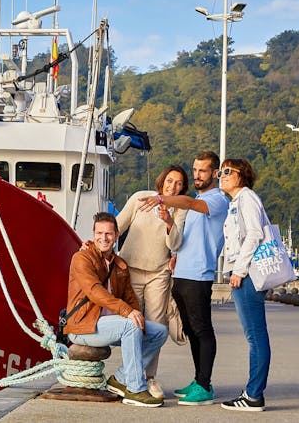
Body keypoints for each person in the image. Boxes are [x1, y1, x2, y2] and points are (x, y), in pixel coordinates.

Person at [138, 150, 229, 406]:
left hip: (199, 275)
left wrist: (161, 198)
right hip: (181, 273)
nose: (197, 175)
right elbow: (184, 237)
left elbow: (188, 204)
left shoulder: (217, 200)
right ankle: (198, 380)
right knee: (190, 329)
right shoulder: (199, 198)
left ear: (215, 173)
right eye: (195, 169)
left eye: (202, 170)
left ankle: (205, 385)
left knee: (202, 329)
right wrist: (176, 254)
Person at [65, 212, 168, 407]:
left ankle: (120, 379)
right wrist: (127, 312)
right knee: (130, 324)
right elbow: (94, 291)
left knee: (159, 332)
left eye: (108, 234)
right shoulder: (82, 258)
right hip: (84, 325)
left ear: (117, 235)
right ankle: (135, 389)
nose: (103, 238)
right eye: (99, 233)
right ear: (93, 234)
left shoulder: (120, 265)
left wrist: (136, 316)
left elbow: (130, 299)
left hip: (111, 326)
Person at [114, 165, 189, 399]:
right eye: (169, 180)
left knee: (157, 327)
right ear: (162, 181)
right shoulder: (140, 198)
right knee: (133, 325)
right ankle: (129, 377)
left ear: (183, 187)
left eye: (178, 183)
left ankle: (149, 377)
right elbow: (118, 225)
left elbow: (175, 244)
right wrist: (97, 246)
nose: (173, 186)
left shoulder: (181, 209)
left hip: (158, 273)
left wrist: (169, 221)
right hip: (131, 270)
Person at [218, 158, 271, 411]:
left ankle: (253, 395)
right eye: (220, 172)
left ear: (242, 175)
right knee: (255, 335)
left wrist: (238, 270)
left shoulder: (247, 198)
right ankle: (252, 391)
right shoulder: (236, 202)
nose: (222, 175)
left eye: (227, 171)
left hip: (248, 274)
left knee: (255, 336)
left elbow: (255, 233)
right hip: (244, 273)